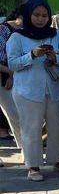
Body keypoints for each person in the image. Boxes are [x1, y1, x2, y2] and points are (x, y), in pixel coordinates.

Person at [7, 0, 59, 181]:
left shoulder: (56, 35)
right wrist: (31, 55)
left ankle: (57, 161)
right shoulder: (17, 37)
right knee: (31, 128)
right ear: (28, 14)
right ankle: (33, 166)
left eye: (44, 15)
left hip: (55, 89)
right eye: (36, 15)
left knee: (58, 127)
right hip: (28, 91)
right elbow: (12, 64)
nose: (40, 19)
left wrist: (54, 57)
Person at [0, 9, 24, 155]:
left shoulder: (20, 33)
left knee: (15, 114)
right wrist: (10, 73)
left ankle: (26, 148)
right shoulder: (3, 30)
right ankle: (25, 148)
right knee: (15, 113)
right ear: (19, 17)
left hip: (7, 75)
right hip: (4, 75)